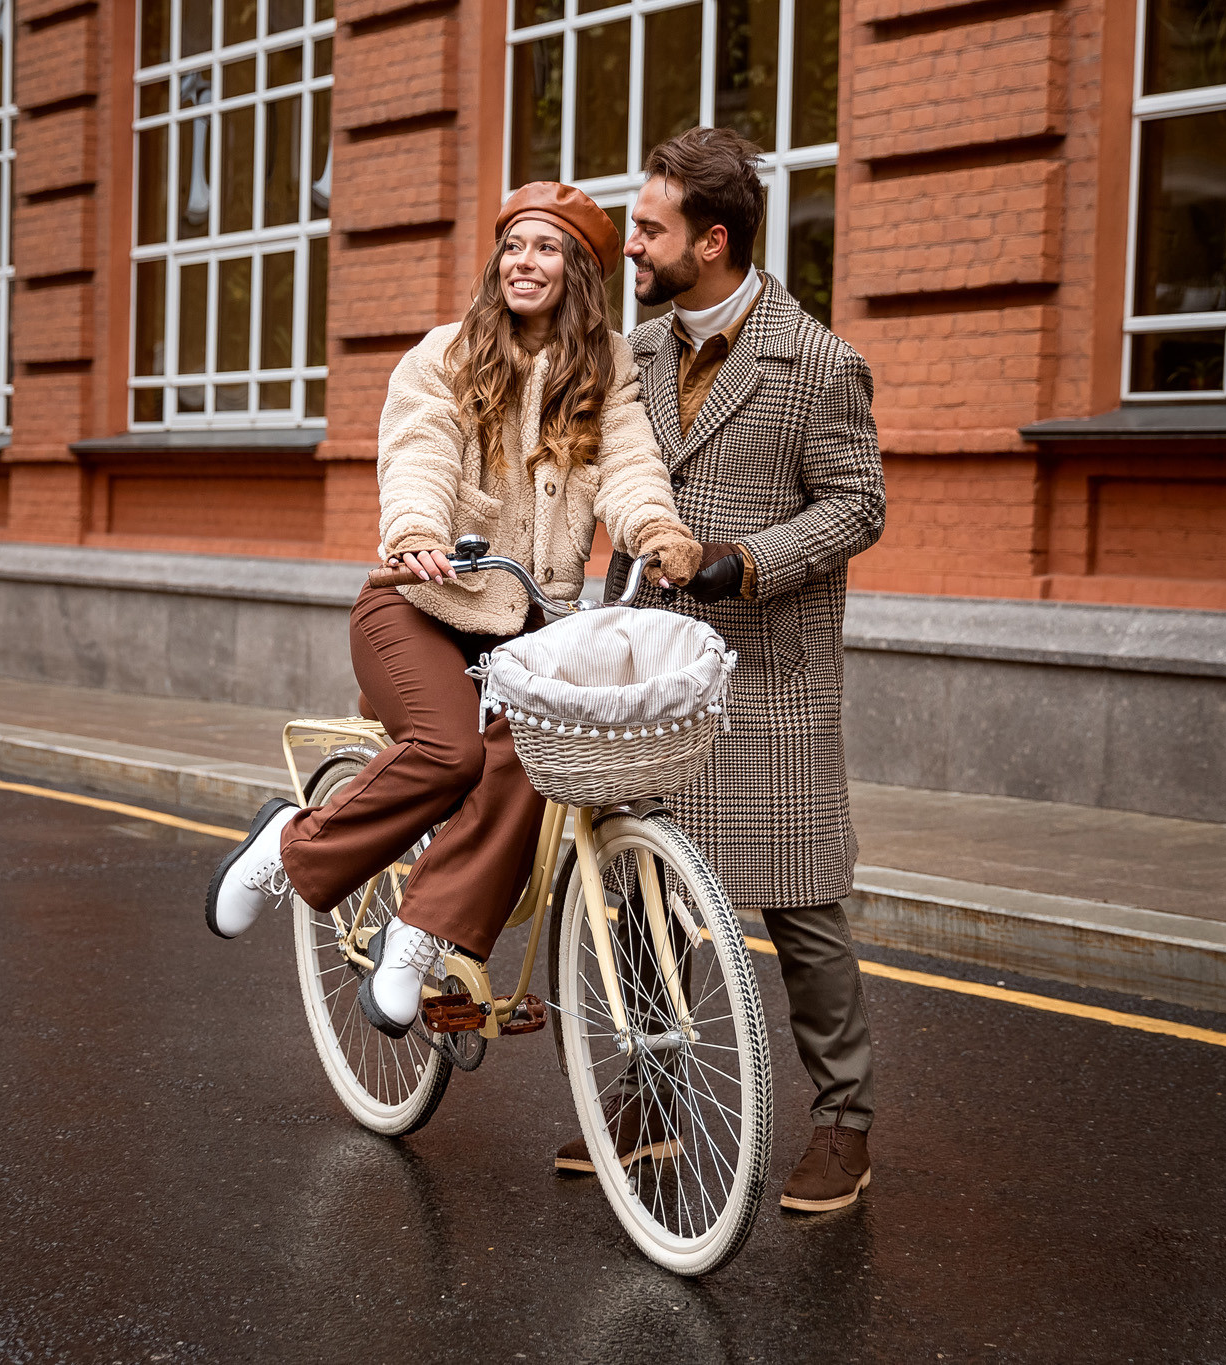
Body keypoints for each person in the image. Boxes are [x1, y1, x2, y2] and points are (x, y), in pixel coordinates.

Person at [205, 183, 705, 1039]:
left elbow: (627, 463)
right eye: (513, 246)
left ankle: (420, 934)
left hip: (528, 623)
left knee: (532, 751)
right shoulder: (445, 354)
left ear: (578, 269)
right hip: (416, 603)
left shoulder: (609, 369)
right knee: (448, 751)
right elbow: (419, 451)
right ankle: (291, 845)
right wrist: (414, 532)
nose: (524, 262)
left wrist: (656, 530)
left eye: (546, 248)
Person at [552, 126, 888, 1214]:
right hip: (649, 664)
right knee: (640, 893)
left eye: (646, 229)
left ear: (710, 239)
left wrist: (742, 563)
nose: (630, 245)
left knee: (801, 907)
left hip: (769, 671)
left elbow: (856, 507)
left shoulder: (818, 361)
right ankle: (651, 1102)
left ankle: (842, 1123)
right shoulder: (633, 354)